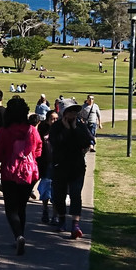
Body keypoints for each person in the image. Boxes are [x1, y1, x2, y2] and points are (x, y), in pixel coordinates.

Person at [0, 97, 41, 256]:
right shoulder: (32, 130)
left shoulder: (4, 131)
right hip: (29, 173)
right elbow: (39, 149)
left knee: (11, 208)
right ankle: (21, 235)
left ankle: (18, 236)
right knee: (22, 207)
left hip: (10, 172)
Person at [48, 99, 93, 238]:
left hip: (77, 167)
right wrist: (67, 130)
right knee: (59, 195)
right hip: (60, 167)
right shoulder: (56, 127)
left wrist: (74, 128)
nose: (73, 114)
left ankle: (75, 225)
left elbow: (87, 141)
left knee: (75, 194)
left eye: (75, 111)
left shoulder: (80, 125)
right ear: (63, 113)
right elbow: (56, 143)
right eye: (70, 111)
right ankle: (62, 220)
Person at [36, 110, 58, 223]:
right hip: (46, 164)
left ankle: (55, 215)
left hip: (57, 164)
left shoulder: (60, 131)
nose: (54, 121)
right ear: (48, 119)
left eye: (56, 119)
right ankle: (45, 209)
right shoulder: (42, 131)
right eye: (52, 119)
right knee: (45, 189)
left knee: (56, 190)